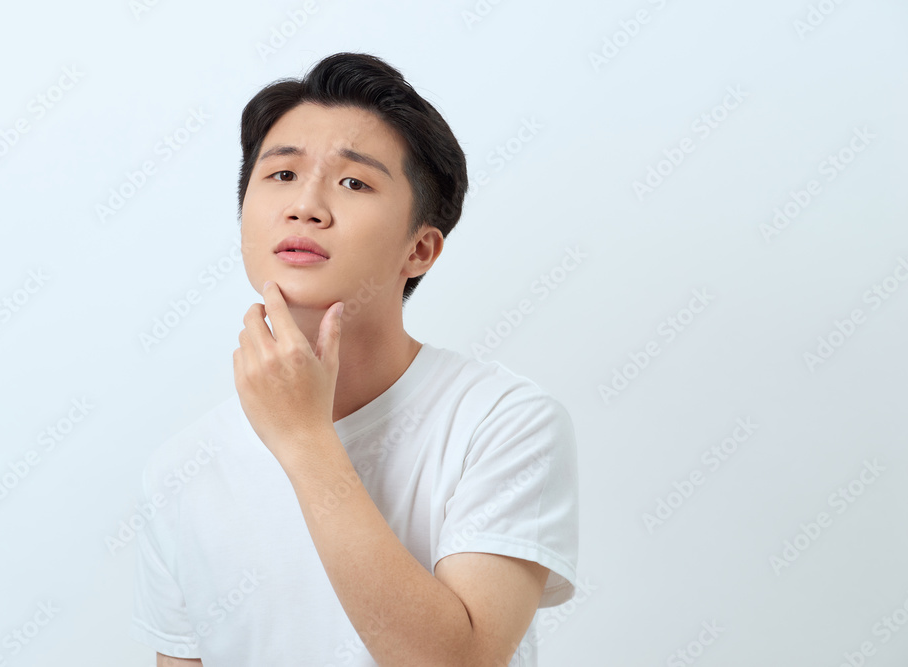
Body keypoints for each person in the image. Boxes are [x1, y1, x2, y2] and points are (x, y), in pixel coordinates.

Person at [130, 51, 579, 667]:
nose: (305, 206)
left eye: (353, 182)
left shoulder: (502, 423)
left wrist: (304, 439)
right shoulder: (180, 469)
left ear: (420, 249)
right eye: (281, 175)